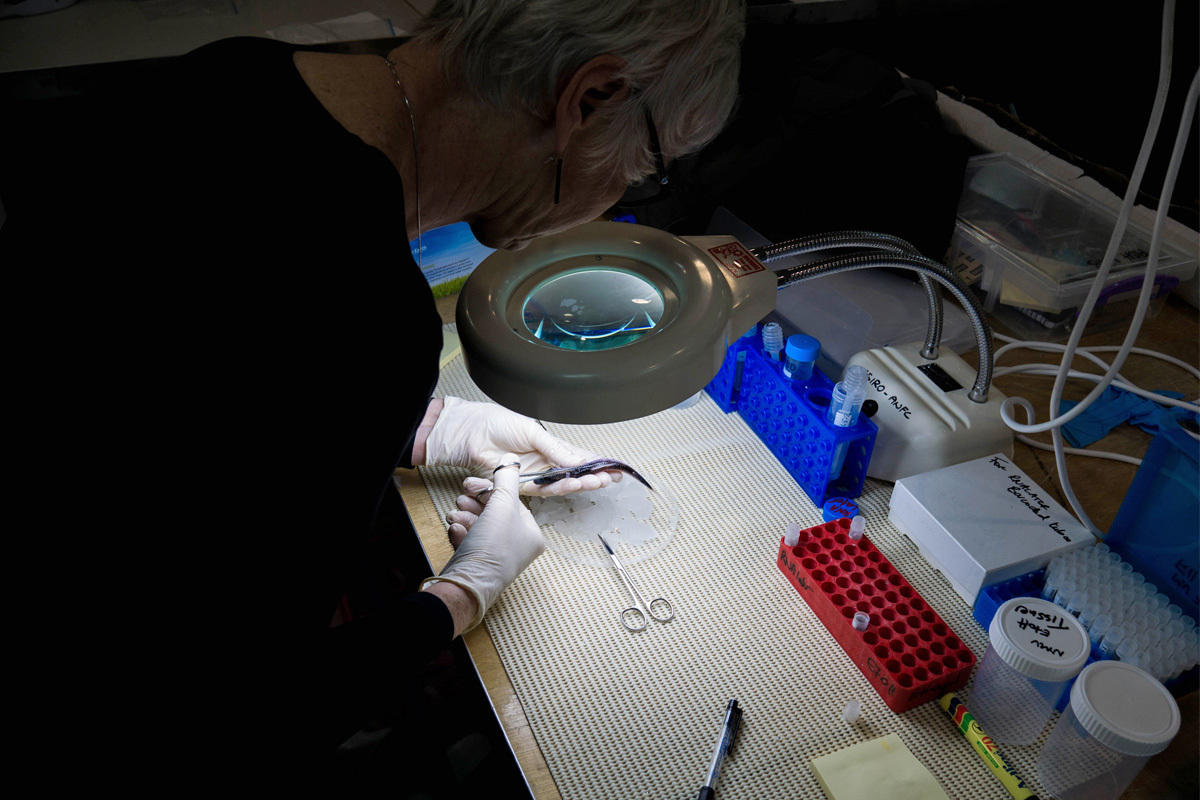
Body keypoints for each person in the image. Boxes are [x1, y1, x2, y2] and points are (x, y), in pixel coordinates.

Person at [0, 0, 744, 787]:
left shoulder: (231, 73)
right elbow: (231, 713)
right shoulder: (364, 316)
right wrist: (459, 594)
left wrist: (419, 432)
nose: (615, 197)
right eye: (640, 169)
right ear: (588, 98)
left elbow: (176, 410)